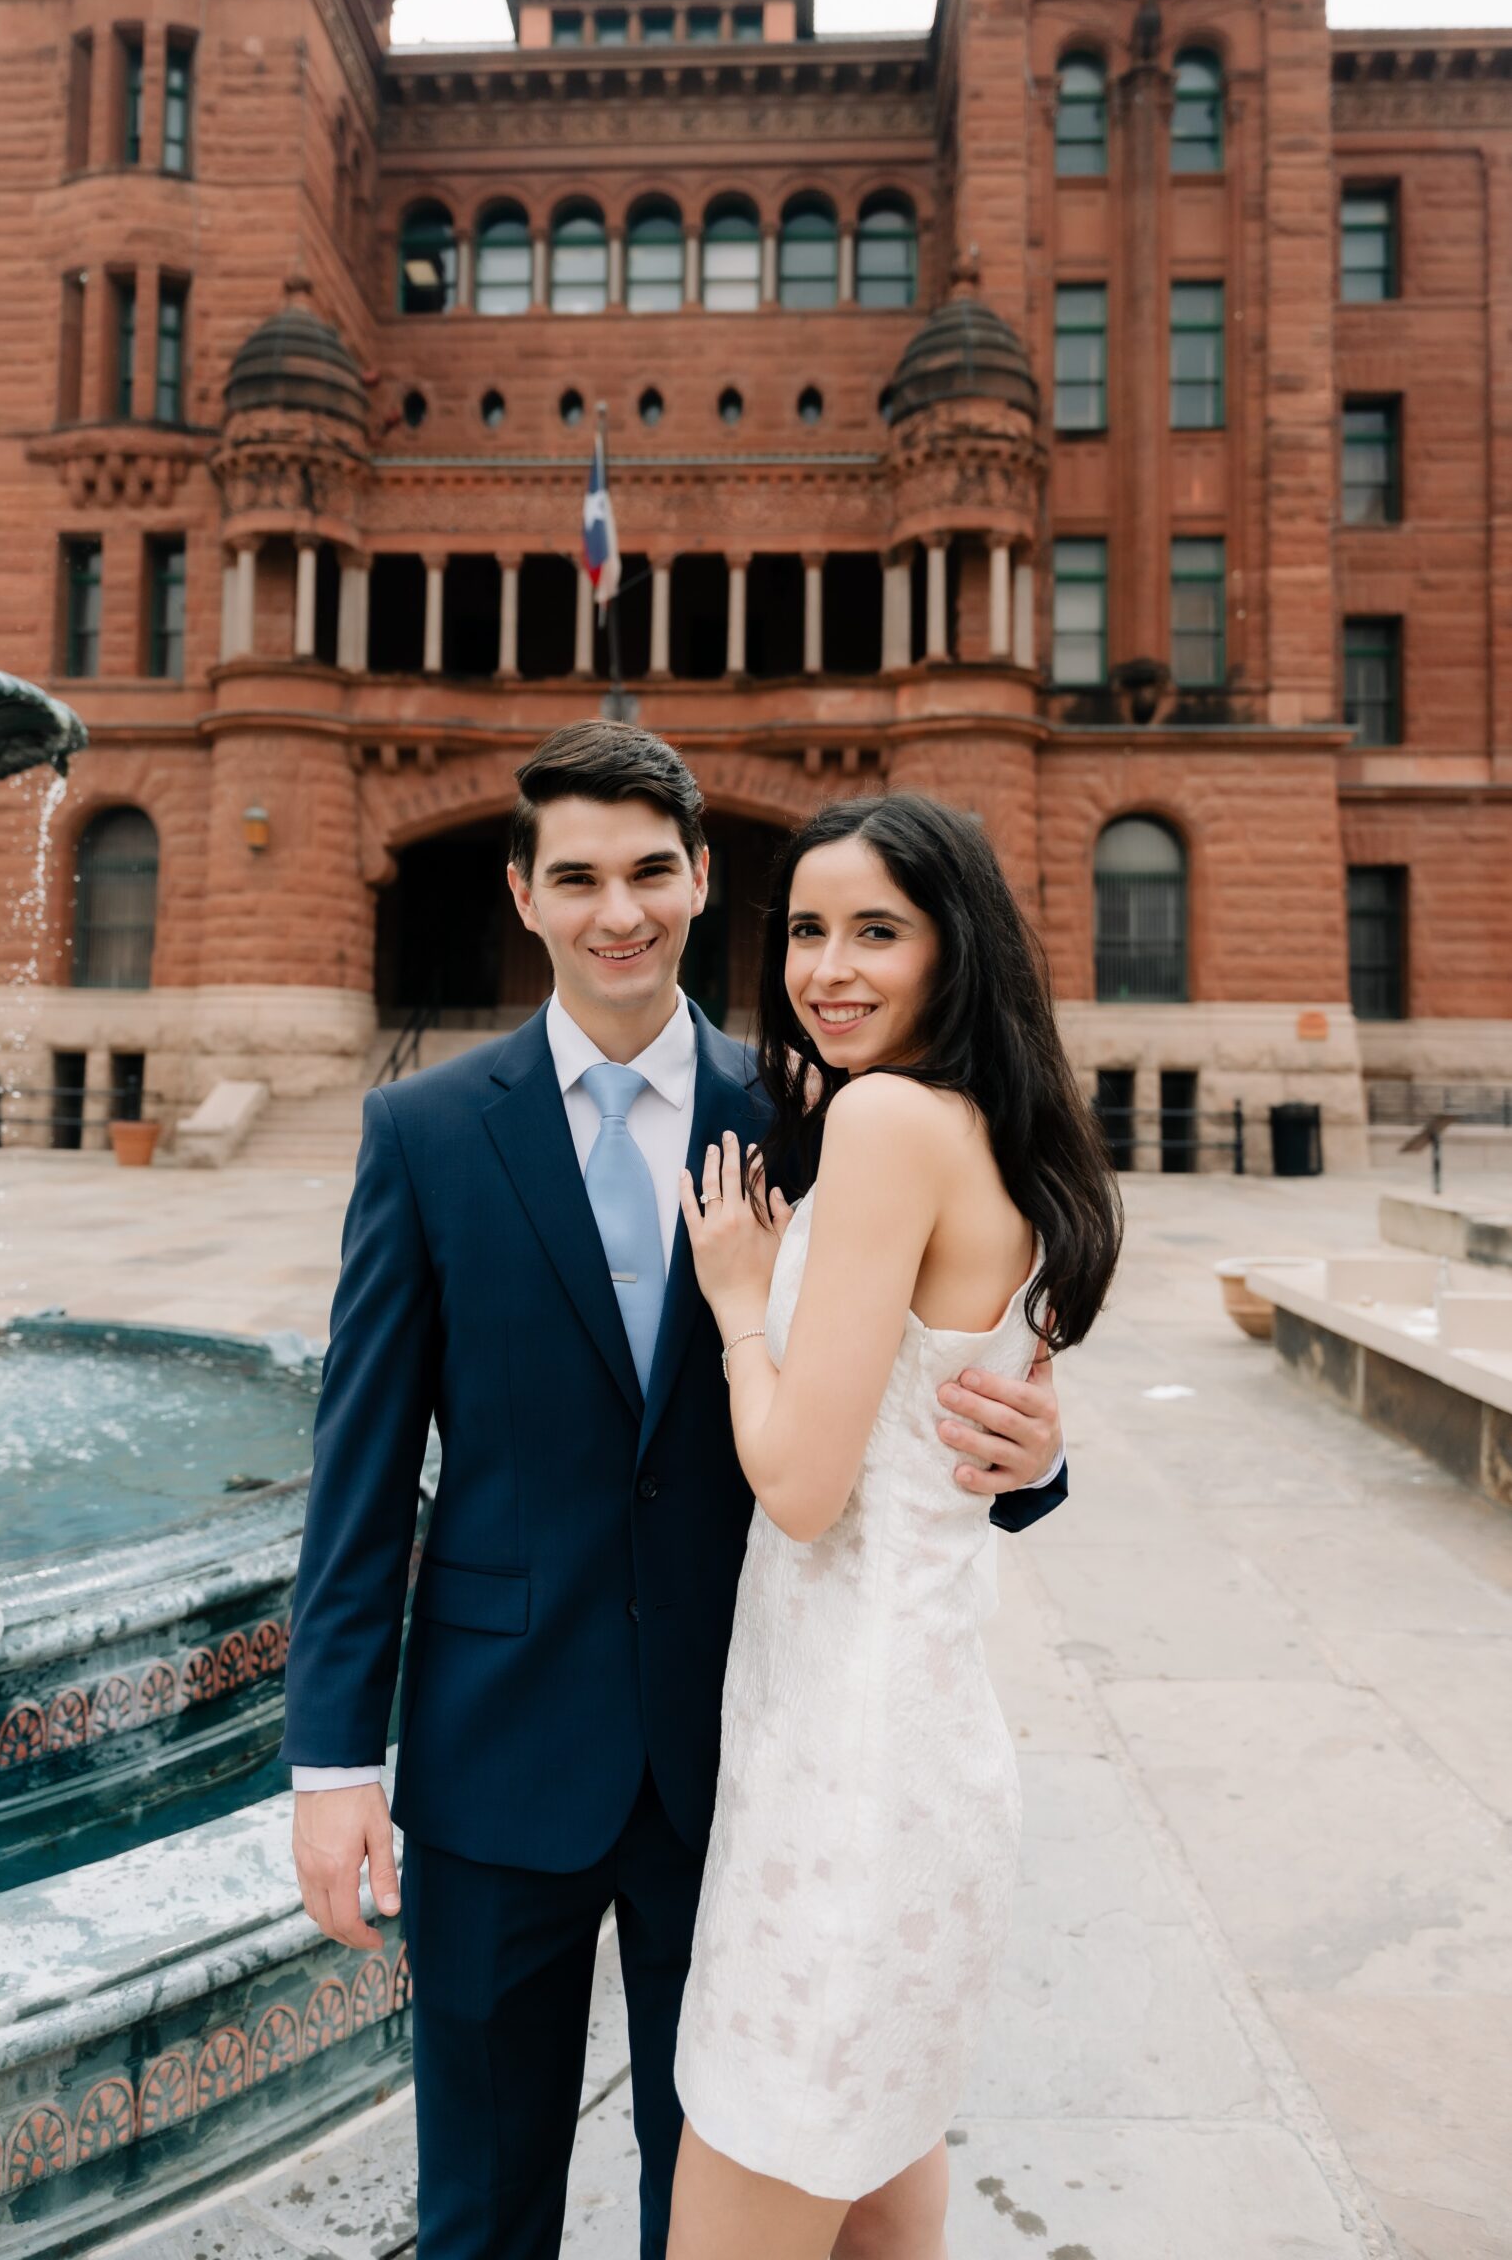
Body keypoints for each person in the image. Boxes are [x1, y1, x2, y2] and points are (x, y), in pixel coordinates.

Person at [283, 724, 1073, 2260]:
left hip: (739, 1760)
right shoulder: (425, 1134)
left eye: (652, 871)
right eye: (577, 877)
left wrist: (1037, 1454)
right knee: (479, 2208)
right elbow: (362, 1466)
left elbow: (934, 1366)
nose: (618, 911)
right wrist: (333, 1767)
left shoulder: (810, 1111)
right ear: (523, 897)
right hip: (494, 1754)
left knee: (709, 2198)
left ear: (707, 881)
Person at [667, 792, 1122, 2260]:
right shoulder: (990, 1134)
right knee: (878, 2218)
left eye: (879, 930)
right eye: (806, 929)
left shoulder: (878, 1120)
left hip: (843, 1789)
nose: (830, 967)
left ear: (957, 947)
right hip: (907, 1754)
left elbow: (802, 1490)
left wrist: (746, 1309)